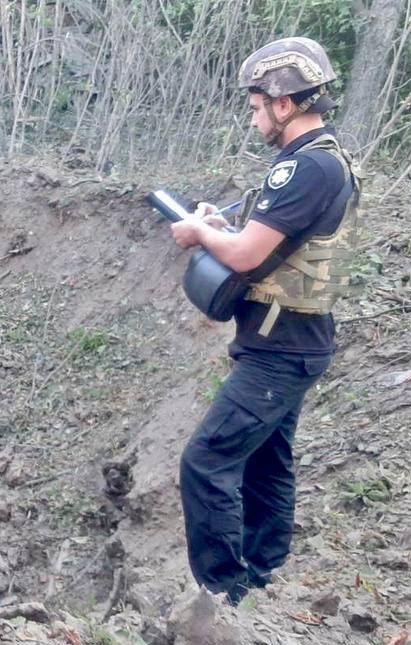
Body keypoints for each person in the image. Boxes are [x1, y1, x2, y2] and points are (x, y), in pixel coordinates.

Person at [169, 37, 363, 604]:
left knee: (206, 461)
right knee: (266, 460)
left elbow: (250, 257)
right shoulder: (320, 161)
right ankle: (262, 576)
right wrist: (218, 227)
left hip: (281, 350)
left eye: (256, 107)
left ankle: (221, 596)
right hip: (291, 341)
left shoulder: (307, 168)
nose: (253, 119)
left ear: (285, 103)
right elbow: (273, 246)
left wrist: (201, 233)